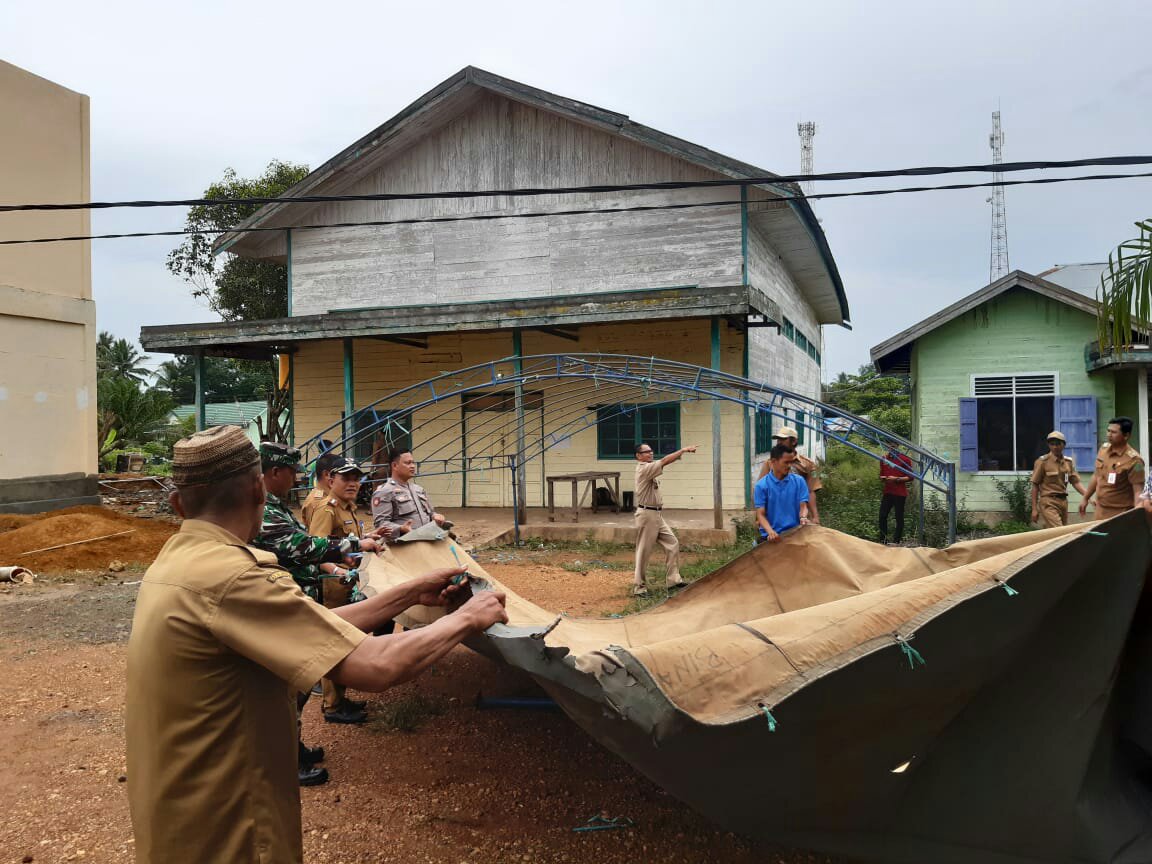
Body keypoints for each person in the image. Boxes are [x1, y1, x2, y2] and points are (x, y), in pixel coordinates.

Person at [125, 425, 508, 864]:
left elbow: (315, 628)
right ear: (258, 489)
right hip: (229, 827)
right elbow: (375, 665)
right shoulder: (235, 578)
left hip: (182, 815)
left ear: (178, 504)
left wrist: (408, 593)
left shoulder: (179, 562)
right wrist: (467, 617)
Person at [253, 442, 385, 785]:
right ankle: (286, 762)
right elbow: (302, 545)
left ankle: (293, 749)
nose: (297, 478)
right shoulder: (262, 508)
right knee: (288, 688)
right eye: (292, 472)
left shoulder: (274, 505)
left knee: (296, 688)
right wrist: (352, 546)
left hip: (296, 602)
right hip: (282, 607)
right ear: (274, 472)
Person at [308, 456, 374, 724]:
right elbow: (315, 551)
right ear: (331, 479)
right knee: (333, 644)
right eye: (346, 478)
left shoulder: (348, 508)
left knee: (346, 643)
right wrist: (338, 572)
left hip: (349, 583)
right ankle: (332, 706)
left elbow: (349, 544)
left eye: (356, 478)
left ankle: (339, 698)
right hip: (334, 587)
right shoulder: (327, 509)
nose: (353, 483)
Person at [632, 441, 697, 596]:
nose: (650, 453)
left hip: (656, 515)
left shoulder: (649, 467)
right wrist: (683, 450)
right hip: (647, 515)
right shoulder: (644, 468)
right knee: (643, 552)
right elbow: (665, 461)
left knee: (672, 543)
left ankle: (673, 580)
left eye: (651, 450)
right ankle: (639, 588)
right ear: (638, 456)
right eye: (646, 451)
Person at [1079, 416, 1146, 520]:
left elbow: (1138, 491)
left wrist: (1137, 513)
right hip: (1100, 510)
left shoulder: (1135, 461)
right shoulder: (1103, 450)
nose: (1109, 434)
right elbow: (1096, 476)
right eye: (1108, 431)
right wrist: (1085, 498)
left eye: (1114, 432)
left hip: (1120, 514)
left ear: (1126, 436)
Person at [371, 449, 447, 537]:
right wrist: (400, 528)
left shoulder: (419, 489)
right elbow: (381, 524)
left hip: (426, 538)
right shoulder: (384, 491)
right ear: (394, 465)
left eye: (413, 463)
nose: (412, 466)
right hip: (402, 542)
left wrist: (435, 516)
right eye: (408, 463)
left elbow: (430, 513)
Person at [757, 426, 823, 523]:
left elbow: (810, 492)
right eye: (778, 439)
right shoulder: (770, 463)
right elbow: (761, 492)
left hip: (799, 517)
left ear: (794, 441)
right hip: (775, 518)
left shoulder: (808, 464)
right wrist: (760, 518)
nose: (779, 442)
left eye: (783, 439)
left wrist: (815, 516)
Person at [1030, 431, 1089, 528]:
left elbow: (1075, 482)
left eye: (1058, 444)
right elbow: (1035, 485)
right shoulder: (1042, 462)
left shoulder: (1068, 462)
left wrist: (1088, 496)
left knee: (1059, 531)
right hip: (1048, 501)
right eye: (1052, 444)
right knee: (1059, 529)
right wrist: (1034, 509)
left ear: (1064, 445)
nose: (1055, 447)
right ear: (1048, 445)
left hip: (1063, 502)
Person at [753, 444, 810, 543]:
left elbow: (803, 506)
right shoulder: (761, 486)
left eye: (791, 462)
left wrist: (803, 517)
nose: (789, 466)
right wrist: (770, 532)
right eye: (786, 462)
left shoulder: (799, 481)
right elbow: (760, 514)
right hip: (772, 536)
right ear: (773, 461)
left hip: (795, 533)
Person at [878, 447, 914, 543]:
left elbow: (911, 477)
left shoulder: (904, 459)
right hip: (888, 492)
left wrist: (897, 479)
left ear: (897, 446)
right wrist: (883, 478)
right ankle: (883, 540)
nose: (891, 448)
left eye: (893, 445)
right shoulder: (884, 459)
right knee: (882, 515)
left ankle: (896, 541)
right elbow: (881, 474)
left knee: (899, 517)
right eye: (889, 446)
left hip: (899, 493)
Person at [301, 451, 341, 527]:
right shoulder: (319, 503)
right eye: (341, 474)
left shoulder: (328, 497)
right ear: (327, 474)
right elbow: (318, 533)